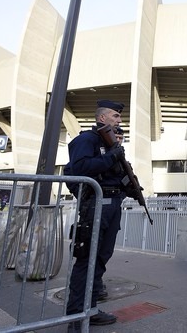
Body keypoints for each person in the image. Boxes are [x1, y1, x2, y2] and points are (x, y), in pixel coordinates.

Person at [65, 100, 128, 330]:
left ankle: (89, 310)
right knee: (86, 260)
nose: (119, 120)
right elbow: (78, 169)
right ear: (102, 118)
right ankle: (75, 316)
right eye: (115, 116)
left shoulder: (109, 143)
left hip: (112, 205)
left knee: (100, 259)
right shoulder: (87, 140)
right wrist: (112, 157)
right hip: (96, 206)